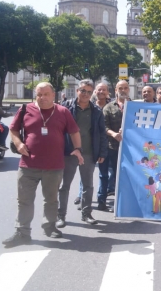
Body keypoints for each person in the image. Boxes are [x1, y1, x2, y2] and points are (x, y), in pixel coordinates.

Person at [3, 82, 83, 247]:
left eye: (46, 94)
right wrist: (18, 144)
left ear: (53, 95)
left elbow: (74, 131)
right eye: (39, 94)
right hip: (28, 165)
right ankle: (22, 232)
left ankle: (50, 227)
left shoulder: (62, 111)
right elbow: (13, 129)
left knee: (51, 200)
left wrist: (77, 149)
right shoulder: (25, 110)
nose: (42, 97)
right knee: (24, 200)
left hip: (53, 166)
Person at [57, 80, 107, 228]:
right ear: (77, 90)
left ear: (92, 94)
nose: (85, 94)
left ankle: (86, 214)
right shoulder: (65, 108)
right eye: (83, 90)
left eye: (89, 92)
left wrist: (102, 152)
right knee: (64, 185)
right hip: (69, 152)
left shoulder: (96, 111)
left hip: (89, 153)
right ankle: (61, 216)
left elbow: (102, 133)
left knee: (88, 185)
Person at [99, 80, 129, 212]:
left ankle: (123, 204)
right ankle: (102, 201)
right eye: (120, 88)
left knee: (126, 177)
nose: (123, 90)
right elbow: (103, 126)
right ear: (116, 90)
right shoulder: (108, 107)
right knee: (106, 176)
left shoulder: (135, 106)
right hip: (112, 147)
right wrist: (114, 134)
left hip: (130, 149)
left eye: (125, 88)